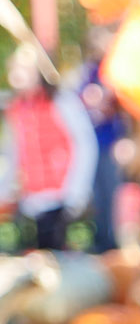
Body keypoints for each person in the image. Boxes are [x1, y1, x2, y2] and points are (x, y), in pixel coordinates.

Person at [0, 52, 98, 253]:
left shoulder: (61, 101)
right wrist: (6, 190)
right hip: (31, 198)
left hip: (60, 194)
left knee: (57, 254)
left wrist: (77, 191)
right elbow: (14, 151)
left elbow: (84, 145)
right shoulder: (17, 108)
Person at [78, 29, 122, 253]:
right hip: (90, 145)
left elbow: (118, 101)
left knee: (112, 193)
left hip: (111, 143)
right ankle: (101, 240)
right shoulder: (89, 71)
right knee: (97, 195)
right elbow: (79, 100)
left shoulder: (115, 68)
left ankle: (114, 243)